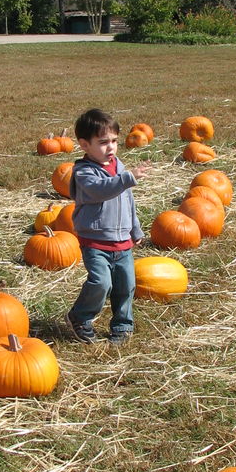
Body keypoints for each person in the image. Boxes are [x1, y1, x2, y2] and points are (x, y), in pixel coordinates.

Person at [66, 108, 150, 345]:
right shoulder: (83, 172)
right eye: (103, 142)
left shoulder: (118, 166)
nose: (111, 147)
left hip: (122, 240)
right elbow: (100, 190)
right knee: (101, 282)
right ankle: (80, 317)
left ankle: (122, 325)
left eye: (114, 141)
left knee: (126, 285)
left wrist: (135, 228)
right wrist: (126, 178)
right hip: (95, 241)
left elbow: (127, 200)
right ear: (84, 145)